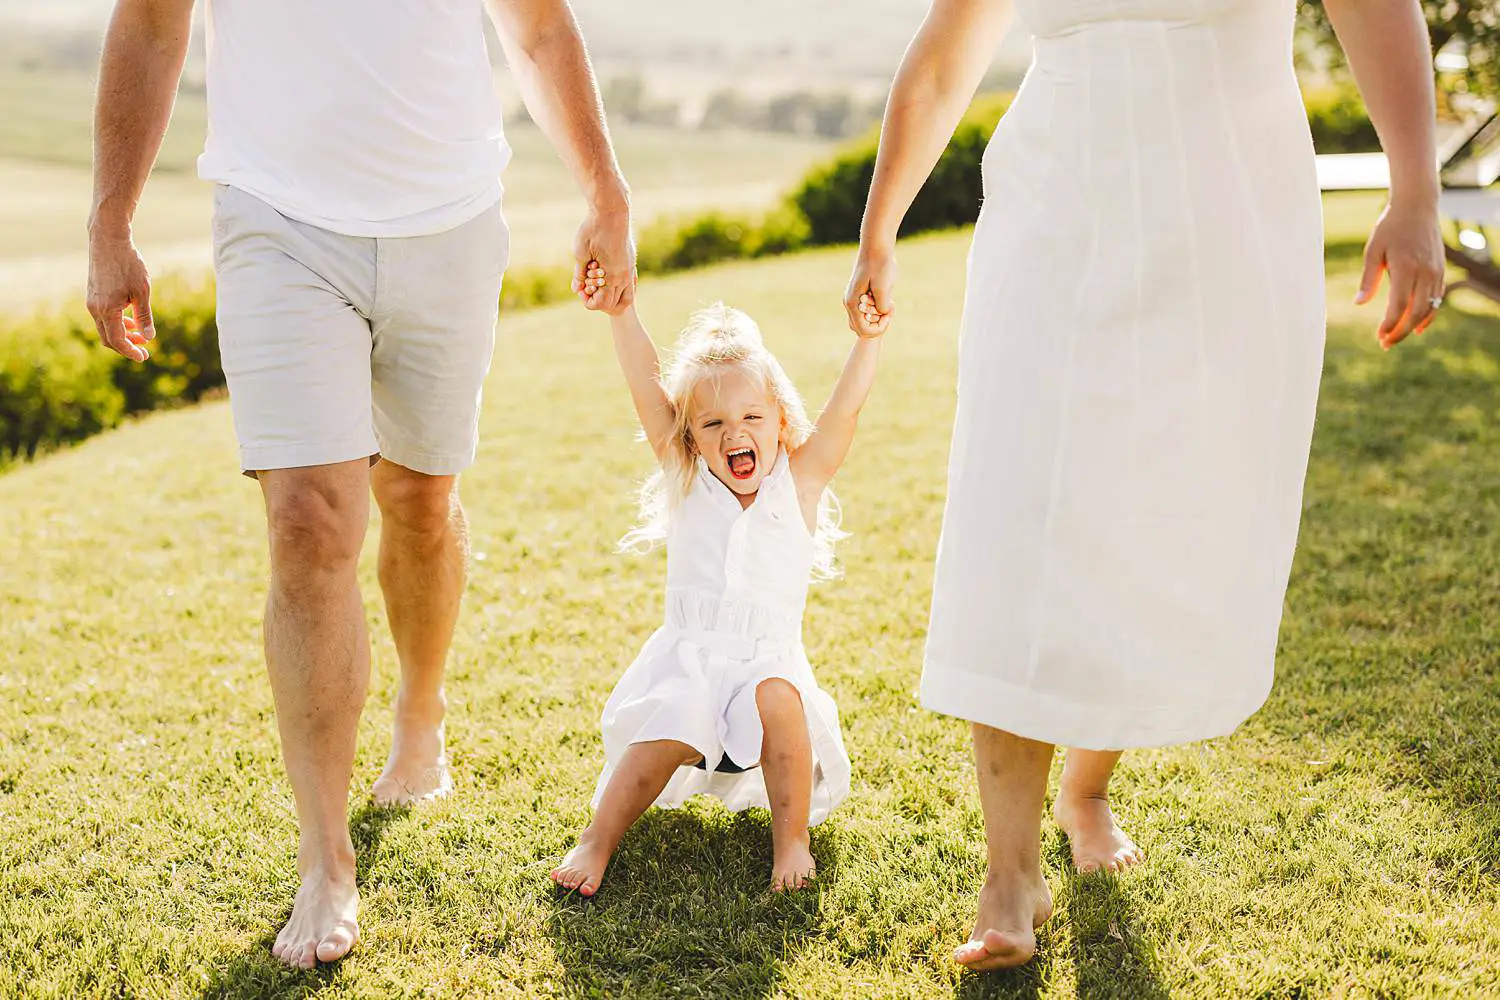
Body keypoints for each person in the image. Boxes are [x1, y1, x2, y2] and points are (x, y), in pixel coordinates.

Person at [843, 0, 1445, 971]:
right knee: (1020, 504)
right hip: (1055, 211)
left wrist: (1414, 191)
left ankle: (1086, 788)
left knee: (1155, 514)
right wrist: (880, 228)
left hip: (1225, 224)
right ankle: (1010, 875)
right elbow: (948, 56)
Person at [86, 0, 634, 970]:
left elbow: (540, 28)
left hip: (450, 222)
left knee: (420, 501)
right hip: (278, 221)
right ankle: (325, 856)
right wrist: (109, 220)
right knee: (306, 523)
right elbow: (150, 26)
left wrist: (605, 188)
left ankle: (420, 717)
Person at [549, 283, 885, 895]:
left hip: (766, 662)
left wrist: (868, 340)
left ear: (780, 420)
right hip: (691, 659)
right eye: (714, 423)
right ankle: (597, 840)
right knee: (669, 718)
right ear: (691, 437)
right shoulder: (687, 478)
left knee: (780, 699)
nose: (735, 433)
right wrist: (623, 314)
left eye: (752, 417)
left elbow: (844, 413)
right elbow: (646, 388)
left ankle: (792, 842)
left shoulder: (799, 483)